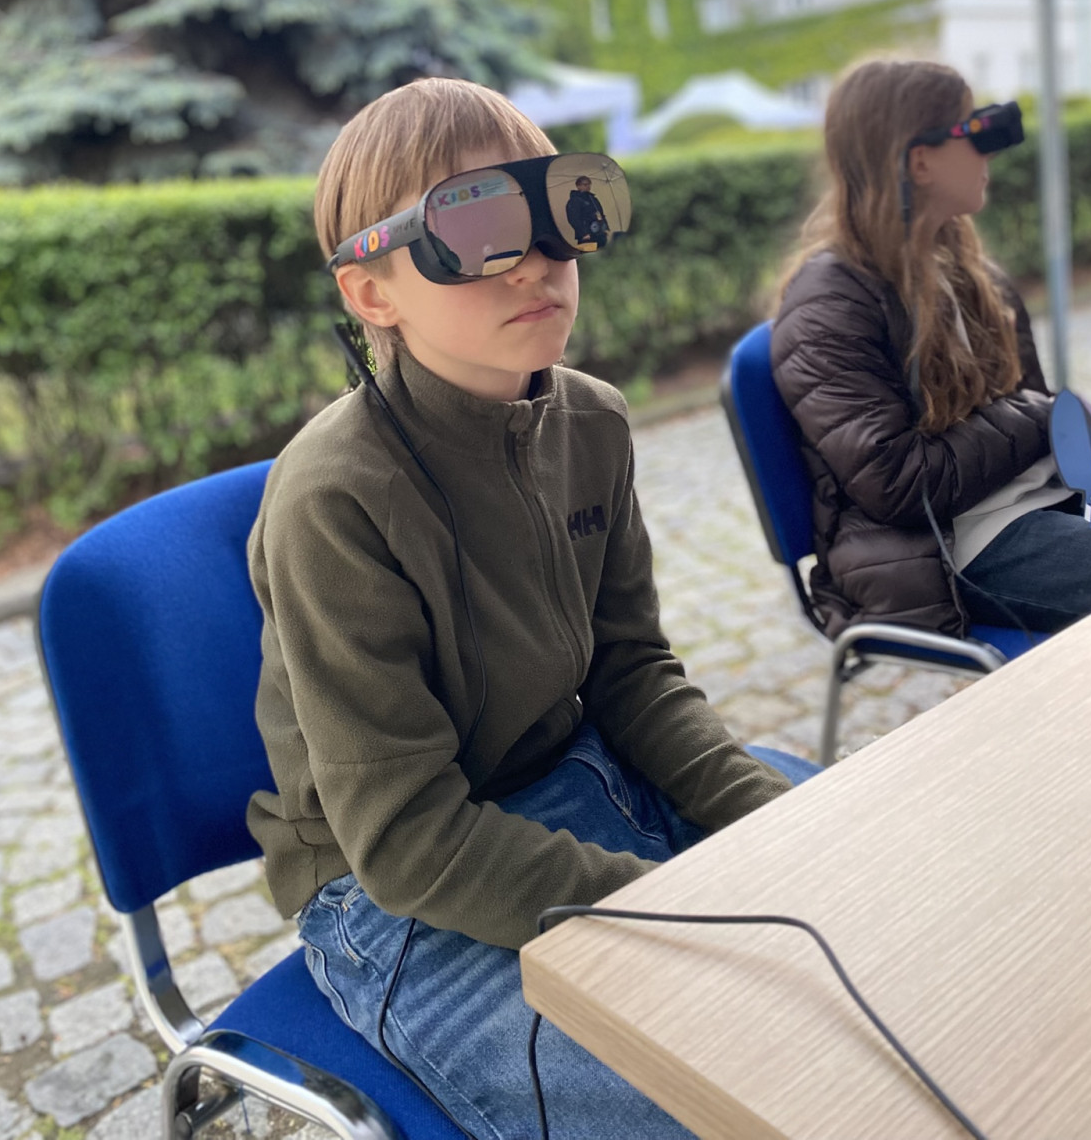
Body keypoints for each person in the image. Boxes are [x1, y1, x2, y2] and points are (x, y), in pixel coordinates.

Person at [247, 78, 818, 1140]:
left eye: (564, 209)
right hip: (396, 899)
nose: (538, 259)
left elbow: (632, 671)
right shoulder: (334, 498)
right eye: (477, 224)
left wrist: (767, 816)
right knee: (725, 1089)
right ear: (371, 291)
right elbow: (407, 841)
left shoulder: (592, 423)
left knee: (864, 889)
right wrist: (666, 906)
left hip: (578, 779)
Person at [770, 58, 1091, 640]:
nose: (990, 154)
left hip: (1050, 500)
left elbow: (1027, 414)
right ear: (920, 161)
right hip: (952, 552)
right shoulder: (829, 305)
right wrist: (1038, 417)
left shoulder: (967, 271)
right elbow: (897, 483)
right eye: (976, 132)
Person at [565, 173, 609, 248]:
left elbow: (601, 213)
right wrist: (583, 233)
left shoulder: (593, 199)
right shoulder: (575, 200)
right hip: (587, 235)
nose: (588, 186)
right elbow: (573, 219)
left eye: (589, 184)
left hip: (599, 232)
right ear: (578, 186)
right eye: (585, 184)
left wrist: (605, 227)